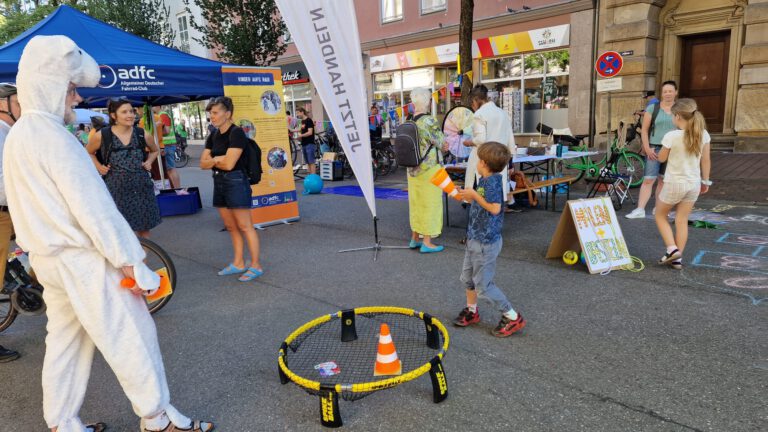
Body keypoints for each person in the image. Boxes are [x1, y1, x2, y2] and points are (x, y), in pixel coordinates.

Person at [3, 35, 214, 432]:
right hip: (81, 259)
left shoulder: (18, 137)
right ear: (51, 83)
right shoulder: (56, 140)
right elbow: (95, 211)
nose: (77, 99)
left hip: (46, 260)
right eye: (71, 89)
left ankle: (62, 421)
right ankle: (157, 419)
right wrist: (133, 261)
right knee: (131, 333)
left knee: (65, 342)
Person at [454, 142, 526, 337]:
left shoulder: (493, 182)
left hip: (485, 244)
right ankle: (471, 311)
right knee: (467, 278)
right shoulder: (485, 180)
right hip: (474, 239)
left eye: (478, 159)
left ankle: (512, 316)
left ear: (484, 163)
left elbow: (494, 208)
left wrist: (474, 195)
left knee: (483, 287)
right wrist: (464, 195)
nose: (476, 163)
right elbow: (480, 202)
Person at [200, 96, 263, 282]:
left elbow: (229, 164)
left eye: (215, 112)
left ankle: (256, 265)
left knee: (245, 226)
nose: (212, 116)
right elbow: (202, 164)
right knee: (230, 226)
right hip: (219, 182)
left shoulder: (237, 133)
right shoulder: (213, 135)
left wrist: (214, 161)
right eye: (210, 113)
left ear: (227, 114)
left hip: (236, 181)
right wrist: (218, 160)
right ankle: (238, 263)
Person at [86, 98, 162, 238]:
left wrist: (149, 161)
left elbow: (155, 150)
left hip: (141, 187)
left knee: (144, 227)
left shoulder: (142, 133)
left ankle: (141, 260)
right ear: (114, 115)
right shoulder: (102, 135)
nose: (130, 115)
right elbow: (88, 152)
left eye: (132, 111)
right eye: (124, 112)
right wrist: (99, 167)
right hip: (115, 188)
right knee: (118, 229)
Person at [654, 98, 711, 270]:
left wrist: (659, 151)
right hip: (693, 183)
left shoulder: (671, 136)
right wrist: (706, 181)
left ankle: (671, 249)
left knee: (660, 214)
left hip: (674, 183)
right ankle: (677, 259)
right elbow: (706, 160)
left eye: (673, 115)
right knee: (682, 220)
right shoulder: (703, 134)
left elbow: (661, 158)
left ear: (678, 116)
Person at [625, 80, 679, 219]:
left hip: (672, 149)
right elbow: (644, 130)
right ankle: (640, 209)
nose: (667, 94)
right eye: (665, 91)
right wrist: (647, 148)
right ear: (662, 93)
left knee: (663, 180)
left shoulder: (679, 109)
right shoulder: (653, 108)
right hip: (654, 148)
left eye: (670, 91)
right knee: (649, 179)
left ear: (675, 92)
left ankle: (658, 208)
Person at [406, 87, 449, 253]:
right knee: (431, 204)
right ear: (428, 102)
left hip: (412, 169)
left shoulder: (409, 121)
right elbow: (442, 144)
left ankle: (414, 239)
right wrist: (446, 144)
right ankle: (428, 242)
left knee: (416, 204)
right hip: (429, 168)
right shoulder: (429, 121)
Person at [462, 85, 517, 212]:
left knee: (480, 193)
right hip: (500, 160)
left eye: (472, 103)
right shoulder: (502, 113)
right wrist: (510, 162)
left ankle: (477, 224)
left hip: (483, 160)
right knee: (496, 197)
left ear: (476, 100)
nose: (472, 106)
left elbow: (480, 139)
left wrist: (469, 142)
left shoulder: (479, 114)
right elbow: (510, 139)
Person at [0, 82, 21, 364]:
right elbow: (4, 180)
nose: (22, 108)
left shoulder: (8, 132)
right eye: (17, 102)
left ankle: (19, 282)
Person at [296, 107, 317, 173]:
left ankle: (313, 176)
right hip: (304, 144)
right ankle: (310, 176)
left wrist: (301, 135)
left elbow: (310, 132)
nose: (297, 115)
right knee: (307, 162)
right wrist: (291, 130)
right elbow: (299, 130)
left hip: (310, 144)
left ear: (302, 112)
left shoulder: (309, 120)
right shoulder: (302, 121)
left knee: (311, 161)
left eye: (298, 113)